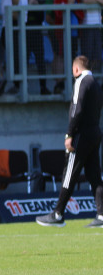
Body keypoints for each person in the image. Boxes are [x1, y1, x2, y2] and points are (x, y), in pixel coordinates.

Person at [36, 56, 103, 228]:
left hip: (81, 135)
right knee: (94, 175)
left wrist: (69, 134)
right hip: (95, 132)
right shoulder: (96, 83)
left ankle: (58, 214)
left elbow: (77, 110)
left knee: (69, 175)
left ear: (75, 69)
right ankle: (102, 215)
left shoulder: (81, 81)